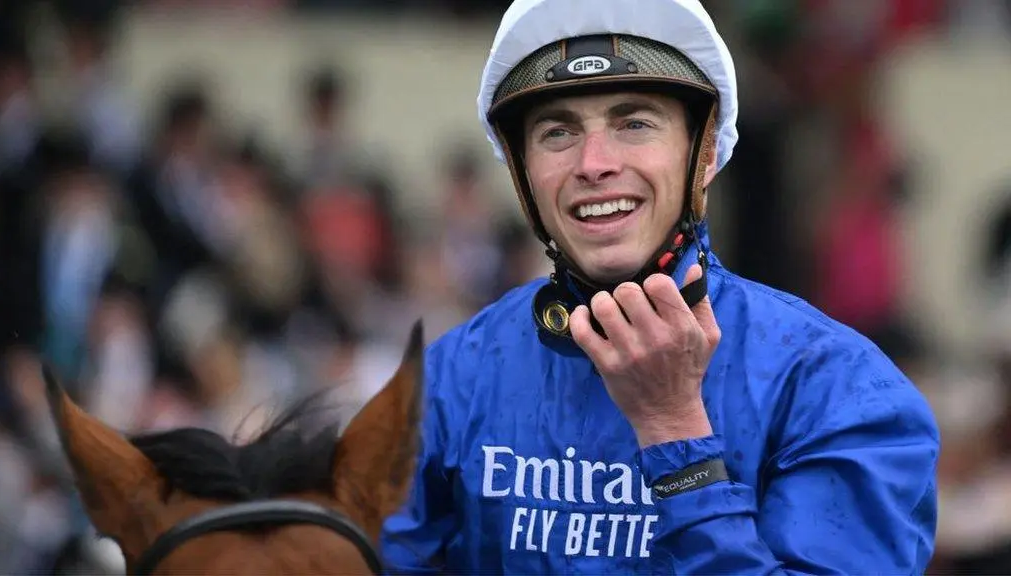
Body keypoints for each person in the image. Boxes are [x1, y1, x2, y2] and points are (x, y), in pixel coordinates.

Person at [380, 0, 940, 573]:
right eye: (557, 132)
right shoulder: (450, 376)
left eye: (635, 124)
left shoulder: (842, 390)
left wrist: (674, 430)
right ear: (524, 174)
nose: (593, 164)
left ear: (704, 156)